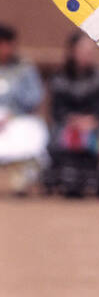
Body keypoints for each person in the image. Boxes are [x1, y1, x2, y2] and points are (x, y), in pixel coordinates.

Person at [44, 31, 99, 198]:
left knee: (96, 139)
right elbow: (57, 108)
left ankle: (91, 182)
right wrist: (73, 120)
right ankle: (65, 181)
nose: (88, 55)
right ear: (73, 52)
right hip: (67, 125)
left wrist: (92, 120)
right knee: (65, 137)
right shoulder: (59, 77)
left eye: (91, 52)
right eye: (84, 51)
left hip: (93, 125)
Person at [0, 24, 48, 194]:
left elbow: (35, 96)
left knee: (30, 133)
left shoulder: (24, 69)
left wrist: (15, 106)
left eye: (8, 44)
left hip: (17, 118)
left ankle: (21, 179)